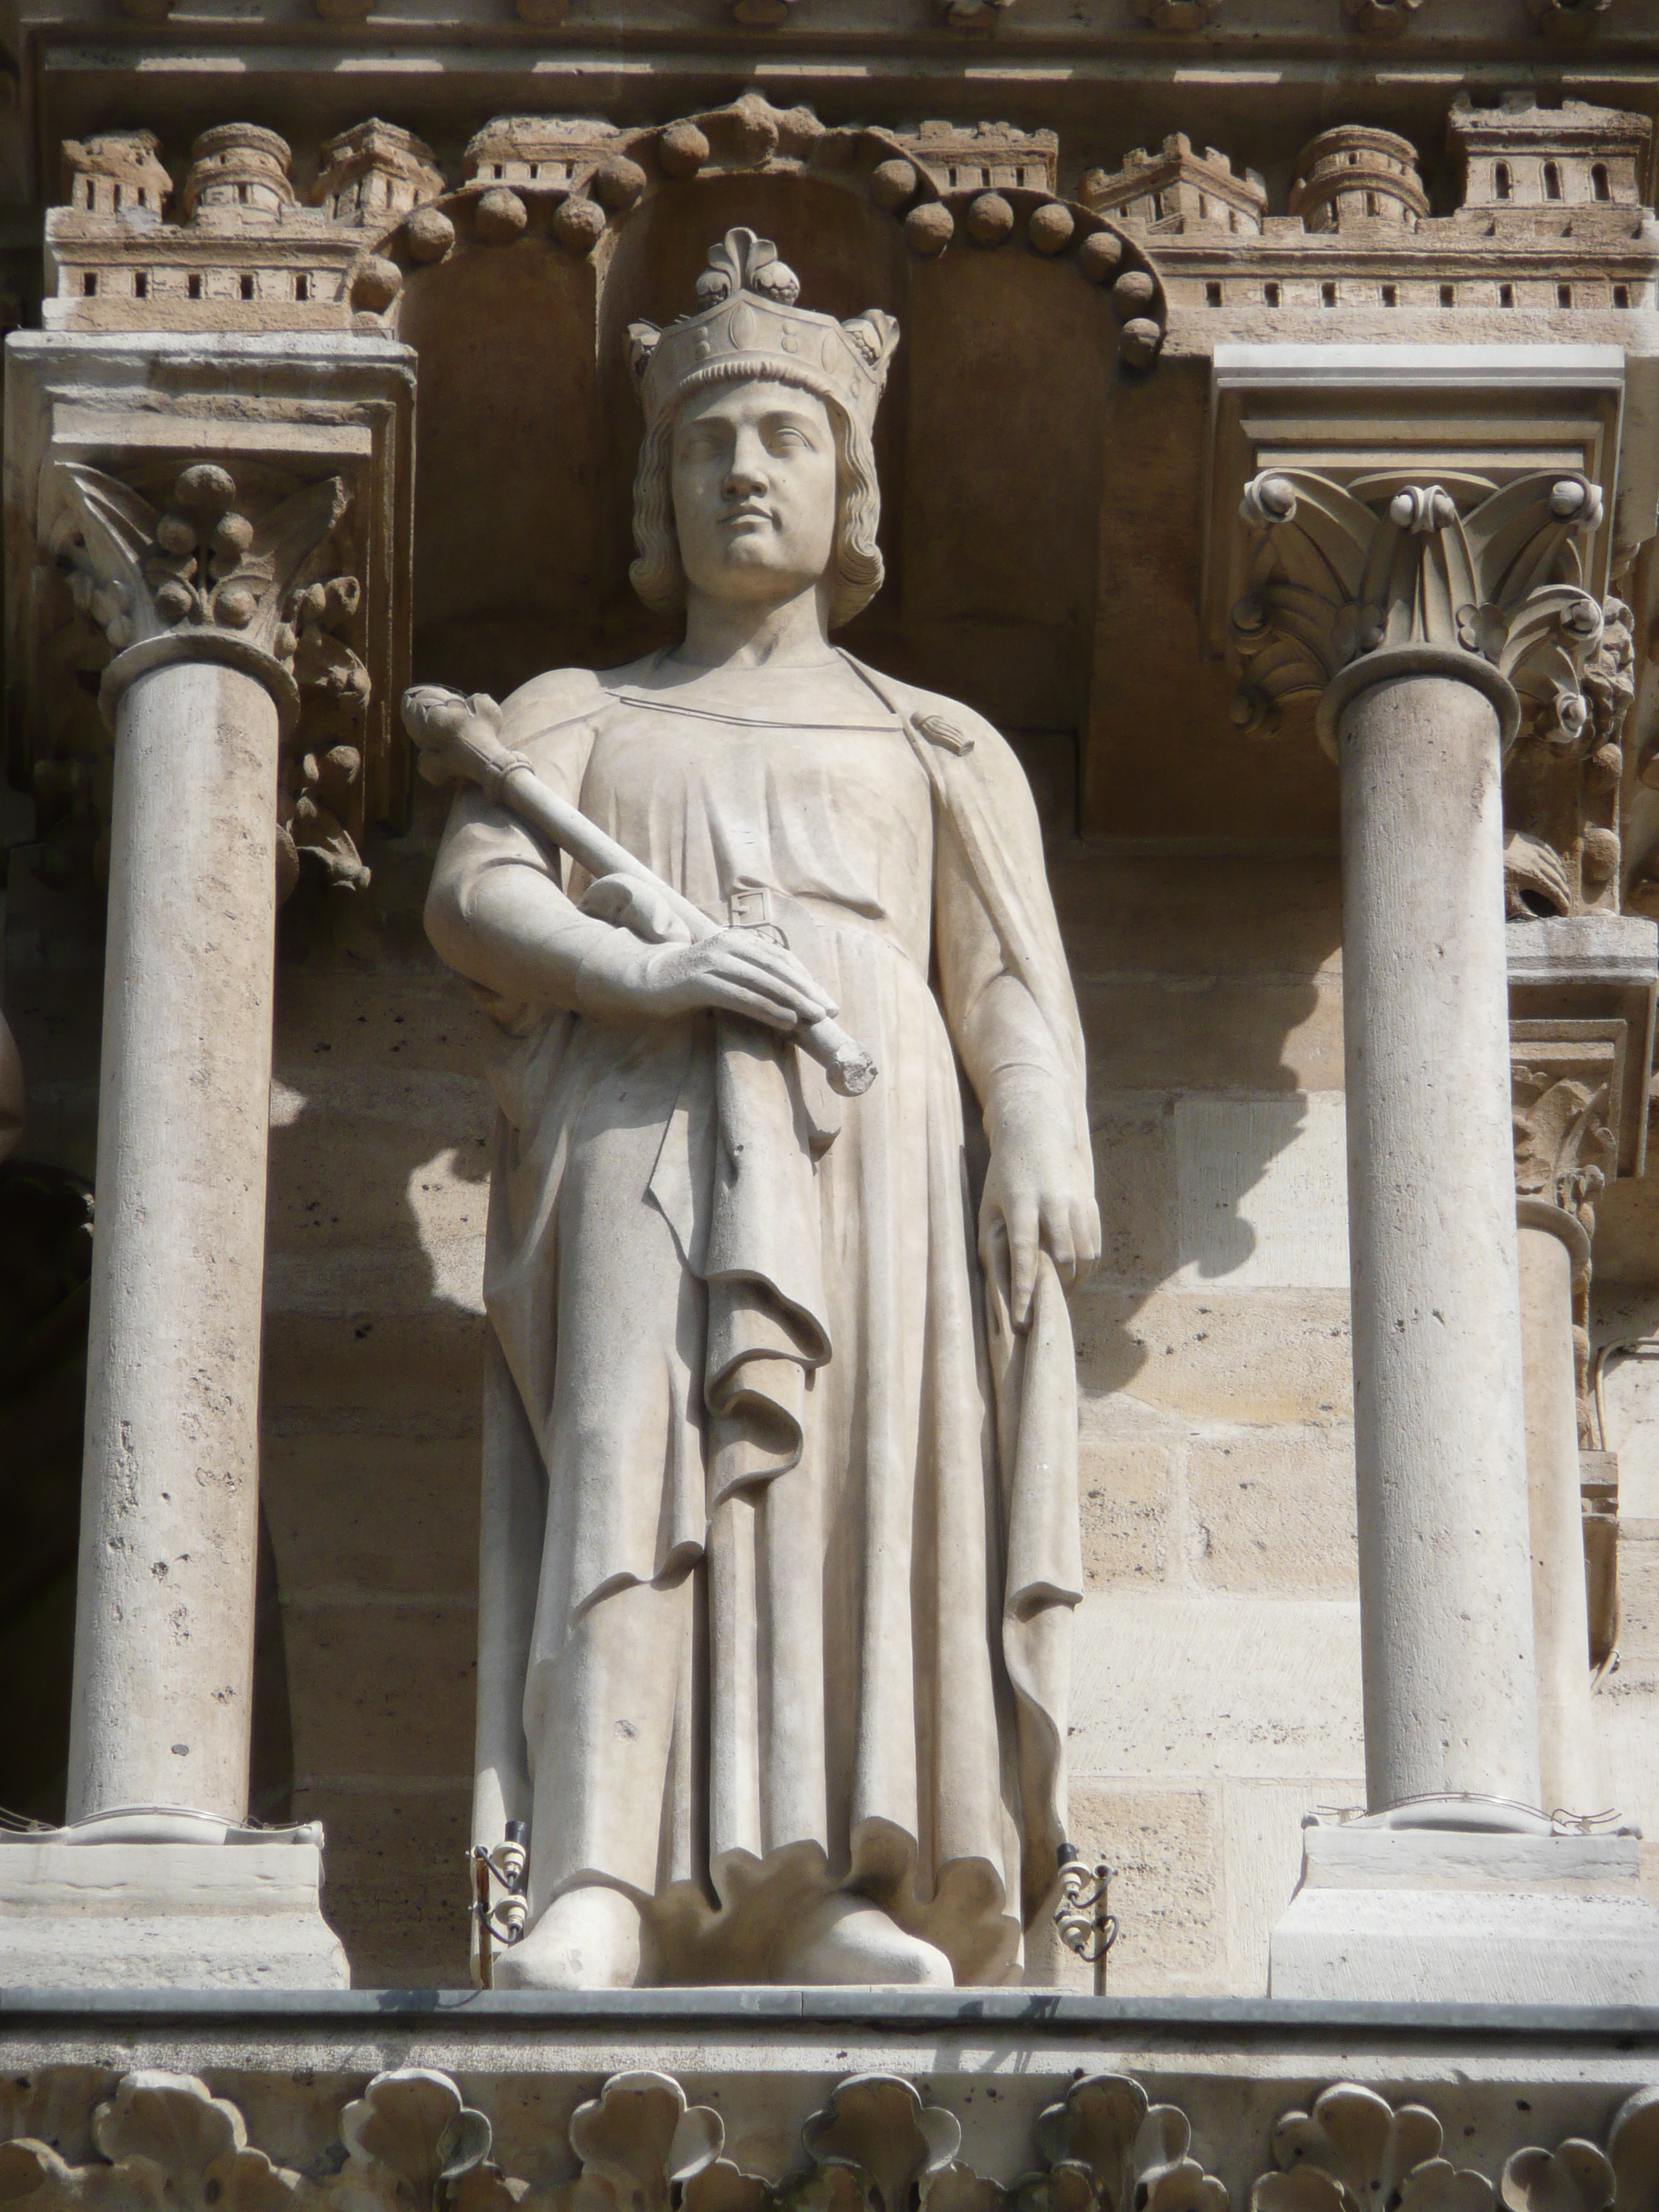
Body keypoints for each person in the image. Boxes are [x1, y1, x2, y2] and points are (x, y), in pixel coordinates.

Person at [414, 228, 1097, 1989]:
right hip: (644, 1119)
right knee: (639, 1468)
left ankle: (829, 1891)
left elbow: (1004, 974)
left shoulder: (933, 741)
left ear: (846, 480)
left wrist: (1037, 1130)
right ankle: (601, 1879)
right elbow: (478, 894)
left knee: (856, 1490)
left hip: (874, 1142)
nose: (742, 469)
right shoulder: (578, 714)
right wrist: (654, 976)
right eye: (707, 440)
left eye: (784, 438)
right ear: (662, 484)